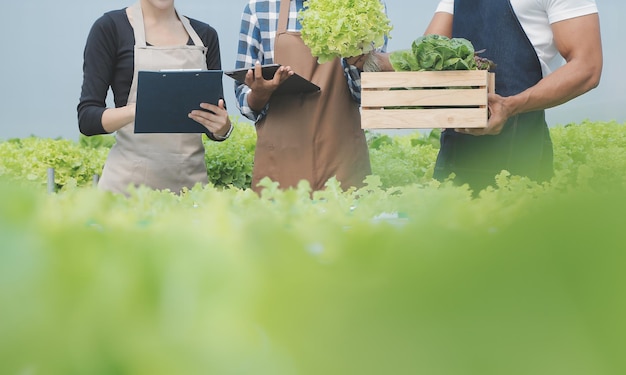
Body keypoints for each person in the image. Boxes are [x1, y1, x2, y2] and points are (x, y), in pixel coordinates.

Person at [424, 0, 603, 192]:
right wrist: (389, 62)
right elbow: (430, 53)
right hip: (456, 149)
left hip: (518, 144)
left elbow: (587, 67)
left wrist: (511, 106)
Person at [78, 0, 232, 195]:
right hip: (127, 191)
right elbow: (87, 119)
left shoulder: (205, 36)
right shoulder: (110, 27)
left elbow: (214, 121)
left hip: (190, 190)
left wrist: (222, 128)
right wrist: (141, 108)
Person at [233, 0, 388, 194]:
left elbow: (369, 96)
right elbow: (243, 99)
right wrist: (259, 93)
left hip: (342, 162)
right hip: (280, 162)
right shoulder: (259, 9)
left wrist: (356, 57)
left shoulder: (365, 7)